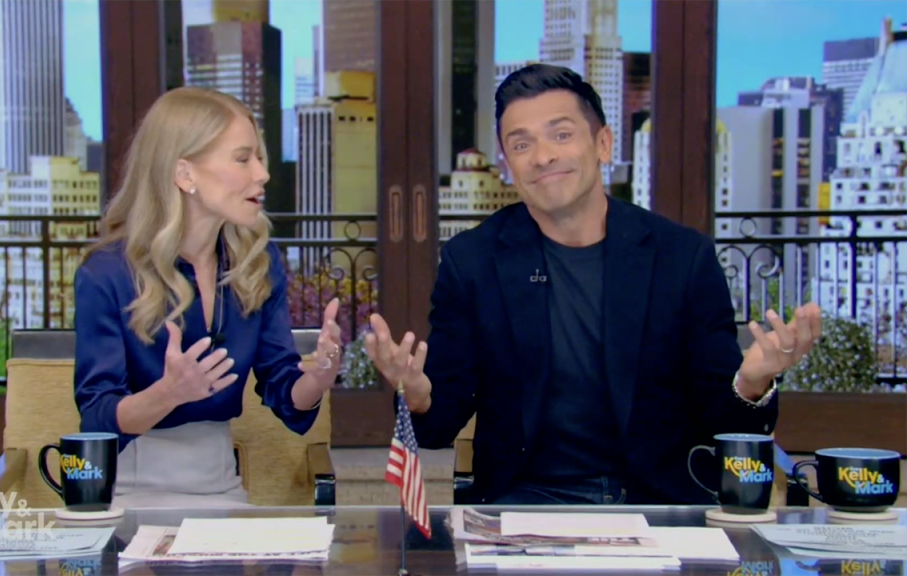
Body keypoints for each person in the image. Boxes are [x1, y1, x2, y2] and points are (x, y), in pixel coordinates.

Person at [364, 64, 823, 506]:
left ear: (603, 144)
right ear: (507, 164)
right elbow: (437, 426)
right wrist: (416, 394)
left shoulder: (682, 257)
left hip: (659, 503)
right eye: (521, 144)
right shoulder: (473, 261)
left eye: (561, 135)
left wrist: (752, 381)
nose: (543, 156)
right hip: (528, 503)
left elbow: (721, 423)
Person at [72, 87, 344, 508]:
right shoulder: (107, 273)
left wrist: (319, 378)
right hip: (131, 494)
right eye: (242, 159)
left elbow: (284, 390)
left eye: (259, 158)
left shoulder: (258, 262)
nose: (262, 174)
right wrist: (169, 392)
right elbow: (97, 419)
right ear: (185, 174)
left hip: (223, 490)